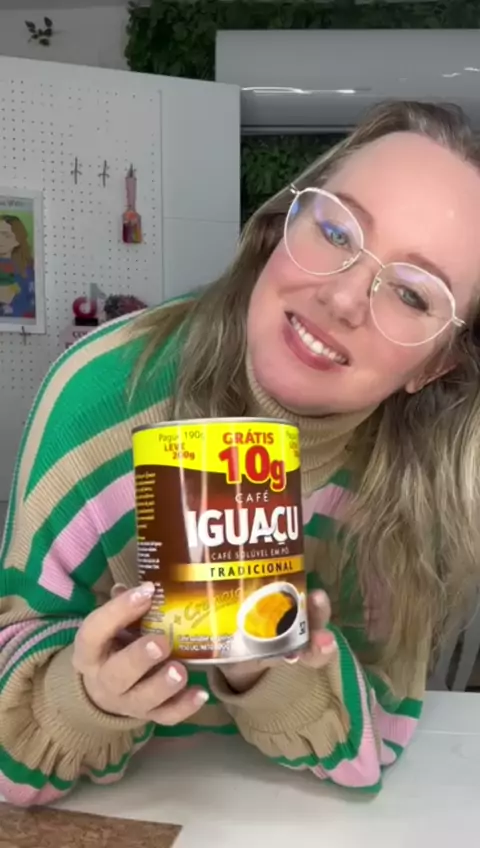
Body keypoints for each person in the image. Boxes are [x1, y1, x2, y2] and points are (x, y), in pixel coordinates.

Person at [2, 100, 480, 807]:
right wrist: (86, 695)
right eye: (335, 231)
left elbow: (378, 738)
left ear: (435, 365)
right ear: (278, 228)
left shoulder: (413, 484)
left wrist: (274, 673)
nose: (344, 297)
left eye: (412, 294)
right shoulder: (100, 393)